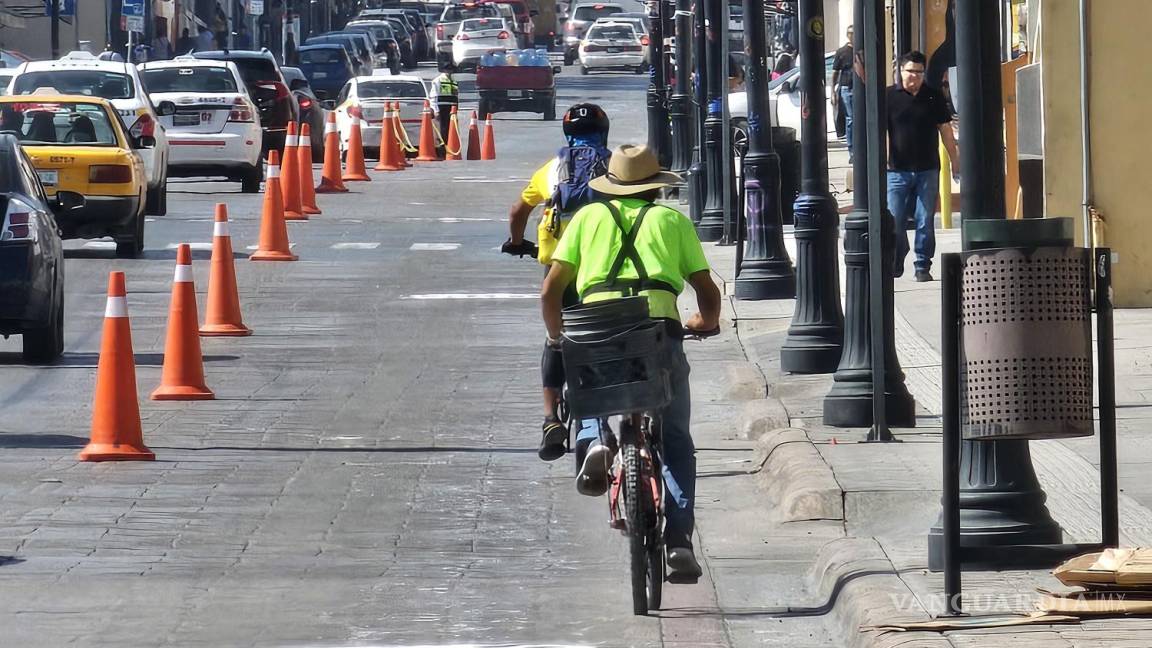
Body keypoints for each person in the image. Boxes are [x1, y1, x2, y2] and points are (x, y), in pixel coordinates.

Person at [540, 144, 722, 580]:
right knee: (676, 437)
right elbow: (705, 288)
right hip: (657, 333)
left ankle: (595, 439)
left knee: (587, 390)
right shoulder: (672, 220)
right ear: (656, 189)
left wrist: (555, 336)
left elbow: (550, 291)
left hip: (596, 330)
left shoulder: (586, 218)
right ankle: (679, 540)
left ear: (612, 188)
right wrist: (705, 322)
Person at [503, 103, 612, 460]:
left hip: (559, 272)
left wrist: (517, 242)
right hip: (604, 268)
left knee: (556, 340)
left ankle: (551, 419)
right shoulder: (616, 169)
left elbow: (518, 210)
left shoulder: (551, 170)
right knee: (610, 336)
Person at [886, 50, 960, 282]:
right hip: (896, 170)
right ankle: (897, 256)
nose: (914, 77)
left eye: (919, 72)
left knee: (924, 218)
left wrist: (954, 160)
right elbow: (880, 133)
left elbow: (946, 130)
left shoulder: (933, 96)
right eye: (910, 71)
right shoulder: (889, 96)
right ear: (900, 71)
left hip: (927, 169)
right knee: (895, 219)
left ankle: (922, 265)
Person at [831, 25, 853, 147]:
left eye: (854, 33)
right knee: (851, 119)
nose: (852, 36)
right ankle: (852, 150)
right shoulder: (841, 52)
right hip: (846, 88)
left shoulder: (862, 50)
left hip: (861, 88)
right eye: (850, 33)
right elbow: (835, 72)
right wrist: (833, 93)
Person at [429, 64, 459, 151]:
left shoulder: (453, 80)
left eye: (451, 70)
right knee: (443, 128)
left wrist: (456, 107)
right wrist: (435, 110)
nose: (450, 72)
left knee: (451, 127)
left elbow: (455, 95)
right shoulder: (438, 80)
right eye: (448, 70)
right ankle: (443, 147)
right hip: (442, 107)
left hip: (451, 107)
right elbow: (434, 96)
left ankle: (450, 145)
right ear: (444, 70)